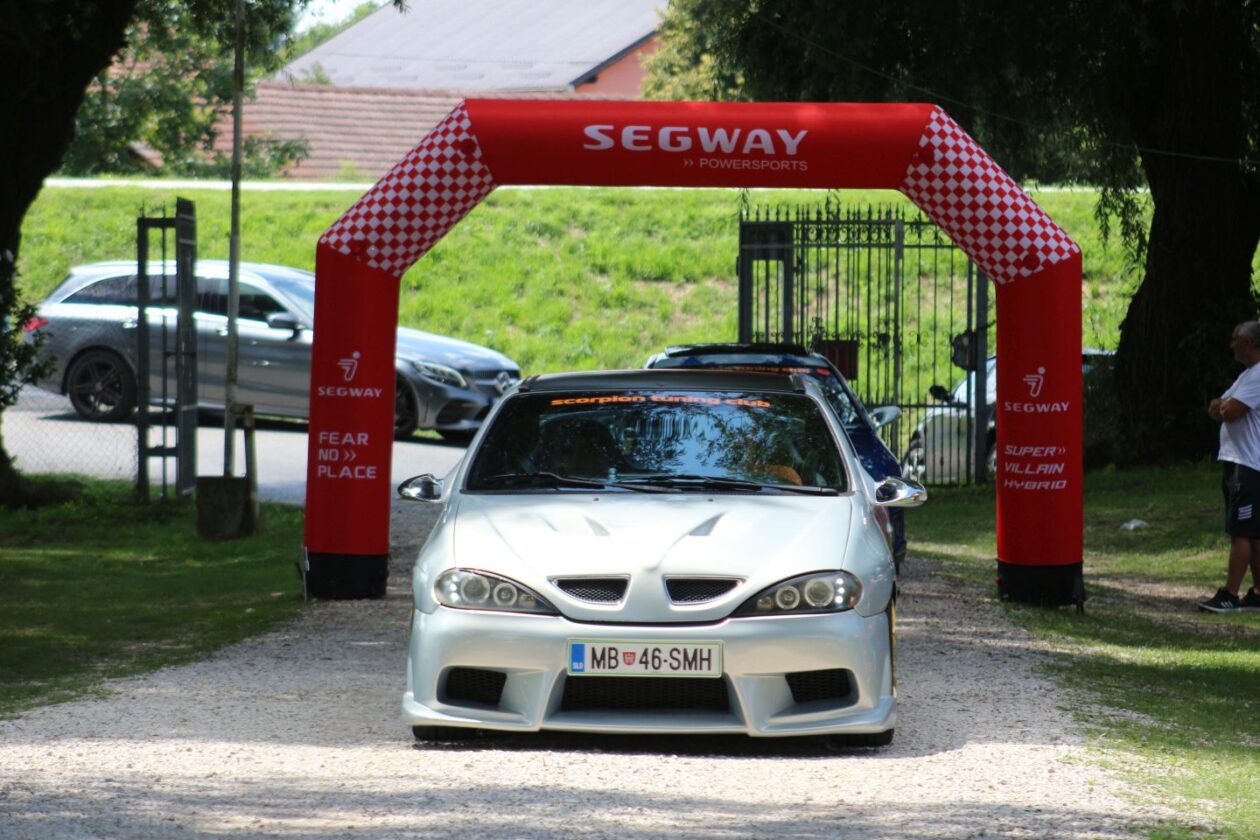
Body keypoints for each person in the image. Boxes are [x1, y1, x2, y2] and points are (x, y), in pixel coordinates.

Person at [1200, 320, 1260, 612]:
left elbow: (1229, 410)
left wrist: (1224, 406)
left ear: (1249, 343)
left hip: (1246, 464)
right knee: (1254, 531)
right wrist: (1222, 406)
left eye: (1235, 338)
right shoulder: (1248, 375)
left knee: (1241, 530)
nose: (1231, 343)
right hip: (1244, 463)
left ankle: (1230, 594)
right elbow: (1217, 406)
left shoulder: (1258, 376)